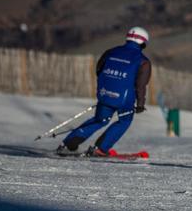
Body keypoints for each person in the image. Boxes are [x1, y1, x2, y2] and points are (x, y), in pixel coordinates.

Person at [57, 26, 151, 157]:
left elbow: (99, 70)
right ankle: (100, 148)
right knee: (124, 121)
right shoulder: (143, 62)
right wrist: (140, 104)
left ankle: (68, 144)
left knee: (99, 119)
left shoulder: (111, 52)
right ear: (143, 43)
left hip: (104, 93)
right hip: (125, 99)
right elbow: (141, 85)